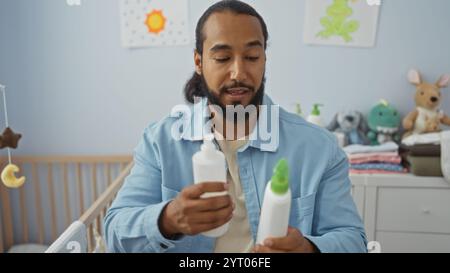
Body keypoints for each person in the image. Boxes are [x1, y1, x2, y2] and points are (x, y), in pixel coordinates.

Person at [104, 0, 367, 253]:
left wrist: (309, 249)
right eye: (222, 58)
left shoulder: (319, 148)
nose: (239, 72)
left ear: (264, 59)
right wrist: (168, 220)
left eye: (252, 56)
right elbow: (115, 233)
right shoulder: (160, 142)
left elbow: (353, 240)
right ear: (199, 62)